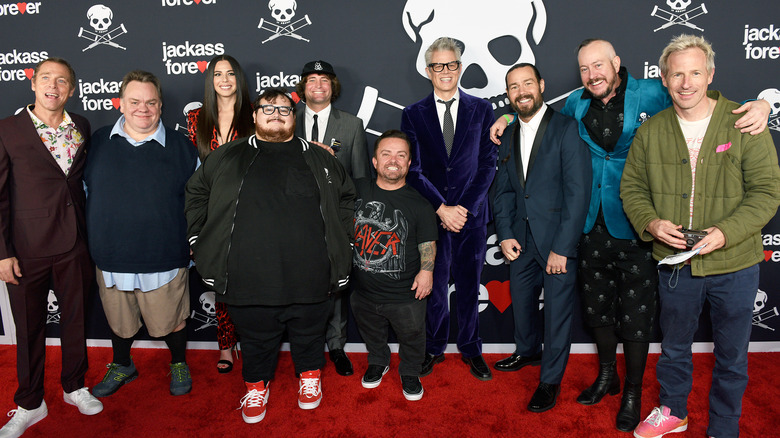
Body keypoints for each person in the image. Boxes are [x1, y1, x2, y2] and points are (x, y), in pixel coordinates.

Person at [490, 39, 771, 432]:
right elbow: (537, 114)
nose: (593, 75)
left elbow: (697, 94)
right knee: (598, 310)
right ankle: (608, 377)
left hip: (639, 226)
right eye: (585, 69)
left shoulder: (656, 91)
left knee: (637, 317)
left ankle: (635, 392)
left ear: (617, 63)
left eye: (599, 66)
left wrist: (763, 105)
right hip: (592, 223)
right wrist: (504, 120)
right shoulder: (576, 102)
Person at [621, 34, 780, 438]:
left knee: (732, 355)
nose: (686, 82)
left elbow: (766, 193)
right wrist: (652, 224)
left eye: (695, 72)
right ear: (663, 77)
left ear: (710, 74)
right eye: (677, 74)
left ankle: (724, 426)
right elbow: (633, 190)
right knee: (674, 349)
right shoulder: (651, 131)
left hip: (736, 264)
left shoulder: (744, 121)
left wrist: (725, 233)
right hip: (676, 266)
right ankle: (674, 411)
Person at [185, 88, 355, 424]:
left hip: (312, 274)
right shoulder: (226, 156)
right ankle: (256, 386)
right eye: (268, 107)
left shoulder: (322, 158)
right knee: (255, 340)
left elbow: (347, 198)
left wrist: (345, 242)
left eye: (284, 108)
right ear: (254, 114)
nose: (276, 113)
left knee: (310, 335)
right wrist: (197, 238)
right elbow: (195, 193)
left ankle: (309, 378)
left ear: (295, 116)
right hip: (247, 277)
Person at [0, 57, 103, 438]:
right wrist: (1, 252)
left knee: (75, 321)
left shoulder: (83, 126)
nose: (53, 86)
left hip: (75, 243)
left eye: (62, 81)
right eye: (46, 78)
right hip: (25, 249)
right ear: (32, 83)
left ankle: (75, 386)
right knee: (28, 330)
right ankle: (30, 402)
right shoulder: (7, 130)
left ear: (72, 90)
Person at [85, 70, 199, 399]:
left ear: (161, 105)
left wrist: (194, 239)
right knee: (119, 321)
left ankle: (178, 362)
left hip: (163, 254)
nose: (143, 109)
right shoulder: (97, 143)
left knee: (172, 320)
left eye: (151, 102)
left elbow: (198, 200)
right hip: (111, 254)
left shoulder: (182, 147)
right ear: (121, 103)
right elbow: (79, 192)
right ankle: (123, 364)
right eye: (135, 101)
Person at [493, 63, 591, 413]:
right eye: (514, 87)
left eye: (527, 83)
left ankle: (549, 381)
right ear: (508, 94)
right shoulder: (506, 133)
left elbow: (578, 193)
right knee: (521, 304)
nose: (521, 91)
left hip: (556, 244)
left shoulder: (566, 128)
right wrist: (504, 234)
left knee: (557, 315)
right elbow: (502, 191)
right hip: (519, 240)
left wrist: (562, 249)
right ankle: (526, 351)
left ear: (542, 85)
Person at [401, 36, 497, 381]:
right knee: (435, 288)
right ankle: (433, 349)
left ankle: (472, 349)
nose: (445, 71)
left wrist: (464, 209)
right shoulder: (412, 114)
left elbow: (488, 164)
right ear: (429, 71)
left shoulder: (482, 109)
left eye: (451, 64)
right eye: (438, 65)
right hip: (432, 217)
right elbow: (413, 170)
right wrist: (442, 208)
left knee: (471, 288)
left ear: (460, 67)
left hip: (471, 219)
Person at [294, 59, 371, 376]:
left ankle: (337, 346)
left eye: (324, 79)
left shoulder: (351, 125)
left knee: (336, 284)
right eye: (311, 79)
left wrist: (353, 222)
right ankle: (305, 345)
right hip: (294, 219)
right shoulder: (287, 120)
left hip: (336, 220)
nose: (318, 85)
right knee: (297, 284)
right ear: (303, 87)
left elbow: (361, 178)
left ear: (333, 86)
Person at [351, 130, 438, 401]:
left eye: (401, 155)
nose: (393, 160)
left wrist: (427, 271)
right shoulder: (356, 189)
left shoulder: (420, 205)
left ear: (409, 163)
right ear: (374, 161)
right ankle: (379, 360)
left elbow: (428, 243)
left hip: (404, 296)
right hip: (362, 291)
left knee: (413, 338)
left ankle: (410, 370)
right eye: (386, 154)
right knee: (372, 334)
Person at [186, 54, 254, 373]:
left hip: (253, 210)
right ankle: (226, 347)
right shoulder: (197, 118)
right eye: (217, 74)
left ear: (239, 78)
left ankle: (254, 342)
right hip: (214, 214)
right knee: (221, 282)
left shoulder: (255, 115)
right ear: (210, 80)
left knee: (254, 278)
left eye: (230, 73)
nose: (224, 79)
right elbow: (197, 172)